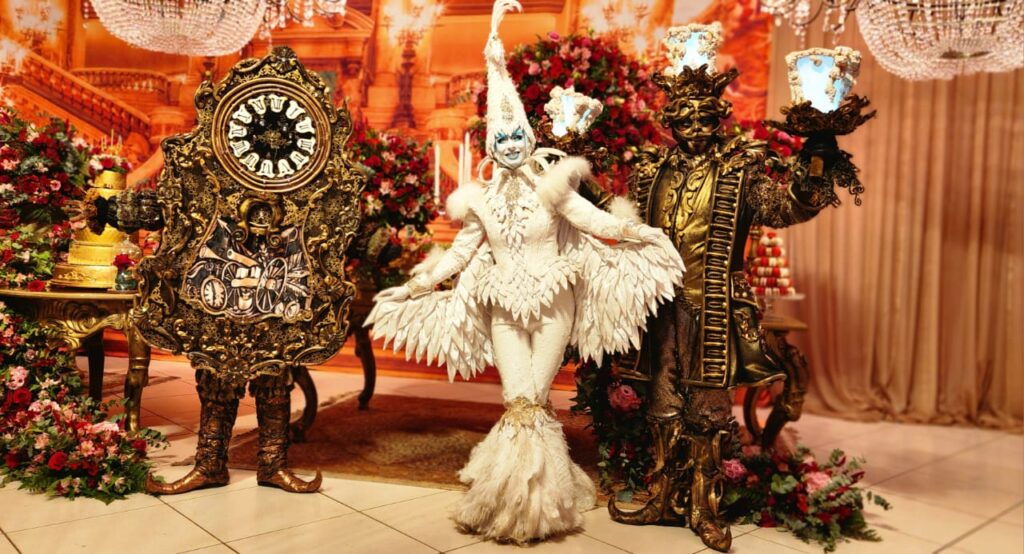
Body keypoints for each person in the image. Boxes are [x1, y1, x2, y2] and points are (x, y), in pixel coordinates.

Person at [366, 0, 685, 543]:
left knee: (533, 399)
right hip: (503, 310)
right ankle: (518, 501)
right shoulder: (480, 200)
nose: (510, 144)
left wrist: (641, 233)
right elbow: (460, 253)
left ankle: (534, 502)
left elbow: (593, 221)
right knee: (520, 401)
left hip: (555, 304)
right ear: (491, 146)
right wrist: (417, 284)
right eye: (501, 138)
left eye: (517, 136)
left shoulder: (553, 186)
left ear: (529, 140)